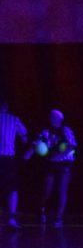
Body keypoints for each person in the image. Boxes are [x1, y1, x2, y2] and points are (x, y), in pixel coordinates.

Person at [26, 109, 77, 227]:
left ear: (60, 119)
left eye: (54, 117)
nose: (51, 119)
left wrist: (59, 156)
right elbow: (37, 143)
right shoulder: (46, 131)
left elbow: (72, 146)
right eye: (50, 117)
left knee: (61, 191)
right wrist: (28, 153)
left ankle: (59, 218)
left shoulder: (66, 130)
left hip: (64, 164)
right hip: (51, 163)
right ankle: (41, 211)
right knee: (46, 189)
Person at [0, 97, 29, 230]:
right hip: (8, 158)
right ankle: (11, 219)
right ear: (6, 106)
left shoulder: (13, 119)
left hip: (6, 158)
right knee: (12, 189)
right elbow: (24, 136)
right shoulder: (13, 119)